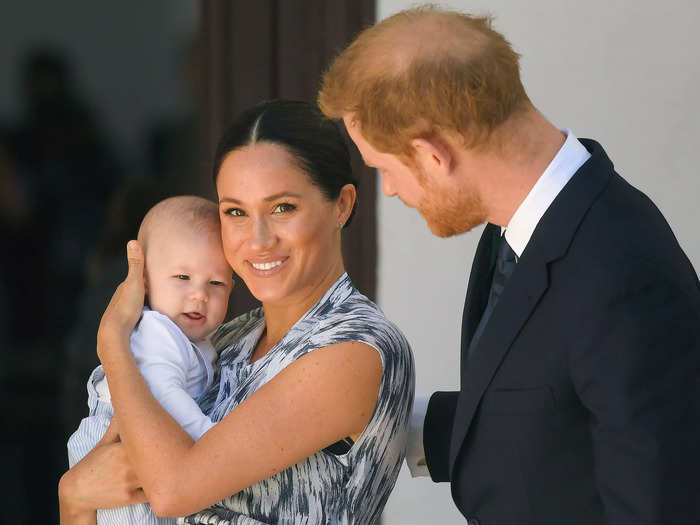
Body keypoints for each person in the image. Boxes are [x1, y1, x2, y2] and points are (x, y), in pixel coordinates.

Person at [319, 5, 700, 525]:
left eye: (384, 168)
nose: (389, 189)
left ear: (433, 155)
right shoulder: (522, 225)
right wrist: (369, 417)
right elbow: (545, 419)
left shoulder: (622, 270)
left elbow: (656, 506)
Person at [59, 99, 415, 525]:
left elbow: (172, 491)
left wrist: (113, 342)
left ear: (342, 204)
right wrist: (73, 496)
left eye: (283, 207)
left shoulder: (354, 348)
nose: (258, 239)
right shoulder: (224, 340)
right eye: (236, 212)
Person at [66, 195, 234, 525]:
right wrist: (213, 444)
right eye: (183, 278)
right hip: (115, 450)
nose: (199, 294)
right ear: (144, 280)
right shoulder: (157, 332)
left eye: (216, 283)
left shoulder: (198, 341)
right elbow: (164, 395)